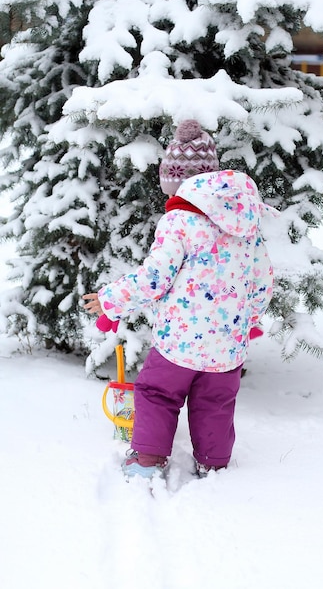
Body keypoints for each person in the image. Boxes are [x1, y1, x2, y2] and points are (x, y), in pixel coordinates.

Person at [83, 119, 277, 480]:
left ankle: (148, 460)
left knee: (157, 393)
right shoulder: (246, 223)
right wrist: (248, 321)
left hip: (179, 341)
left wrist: (111, 300)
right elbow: (263, 280)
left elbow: (153, 278)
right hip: (226, 346)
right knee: (216, 402)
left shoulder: (178, 222)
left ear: (178, 184)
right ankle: (214, 463)